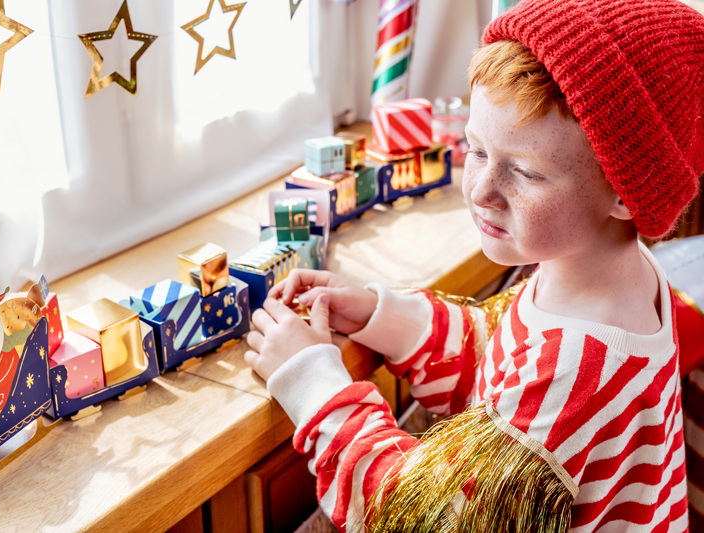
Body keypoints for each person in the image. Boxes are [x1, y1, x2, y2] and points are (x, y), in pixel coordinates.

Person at [244, 0, 704, 531]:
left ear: (627, 193)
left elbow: (416, 518)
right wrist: (382, 316)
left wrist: (310, 380)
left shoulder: (570, 376)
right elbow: (501, 351)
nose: (483, 192)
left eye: (526, 174)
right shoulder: (605, 275)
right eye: (477, 150)